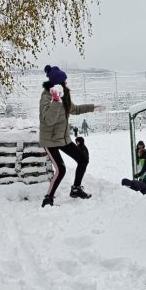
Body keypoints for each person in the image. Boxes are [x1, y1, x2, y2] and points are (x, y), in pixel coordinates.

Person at [38, 65, 98, 207]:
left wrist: (92, 107)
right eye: (63, 81)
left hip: (63, 138)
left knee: (82, 160)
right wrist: (55, 101)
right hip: (50, 140)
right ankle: (48, 198)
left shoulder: (63, 95)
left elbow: (75, 109)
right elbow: (48, 120)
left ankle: (76, 188)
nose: (66, 83)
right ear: (57, 83)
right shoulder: (46, 97)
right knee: (61, 169)